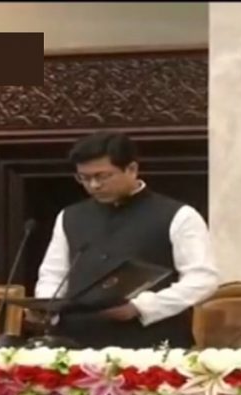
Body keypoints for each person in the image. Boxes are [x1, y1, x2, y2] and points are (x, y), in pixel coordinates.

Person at [34, 131, 219, 349]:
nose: (93, 185)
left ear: (131, 169)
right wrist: (48, 305)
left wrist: (141, 307)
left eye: (102, 176)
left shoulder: (179, 215)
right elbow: (53, 274)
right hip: (76, 342)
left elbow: (202, 279)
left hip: (150, 343)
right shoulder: (70, 216)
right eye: (84, 178)